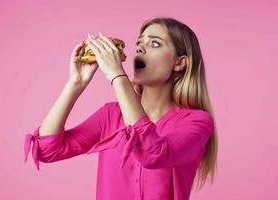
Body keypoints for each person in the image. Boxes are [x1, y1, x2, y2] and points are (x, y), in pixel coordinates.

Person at [24, 17, 218, 200]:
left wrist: (117, 75)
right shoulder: (111, 114)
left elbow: (153, 154)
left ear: (180, 63)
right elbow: (48, 150)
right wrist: (75, 83)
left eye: (155, 44)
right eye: (139, 44)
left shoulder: (197, 122)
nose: (141, 49)